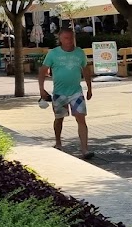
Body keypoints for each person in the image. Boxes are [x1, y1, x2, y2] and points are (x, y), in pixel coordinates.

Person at [37, 26, 94, 159]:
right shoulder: (53, 54)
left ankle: (85, 149)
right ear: (60, 39)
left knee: (81, 118)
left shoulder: (79, 53)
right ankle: (58, 142)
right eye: (66, 38)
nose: (69, 41)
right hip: (59, 93)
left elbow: (86, 70)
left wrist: (89, 88)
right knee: (59, 118)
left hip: (76, 92)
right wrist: (41, 89)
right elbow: (43, 71)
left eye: (71, 38)